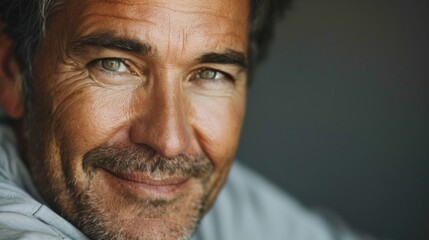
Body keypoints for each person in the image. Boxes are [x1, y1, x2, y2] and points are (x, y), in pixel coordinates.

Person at [0, 0, 374, 239]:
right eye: (113, 65)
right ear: (11, 73)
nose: (169, 140)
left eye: (210, 73)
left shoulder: (178, 189)